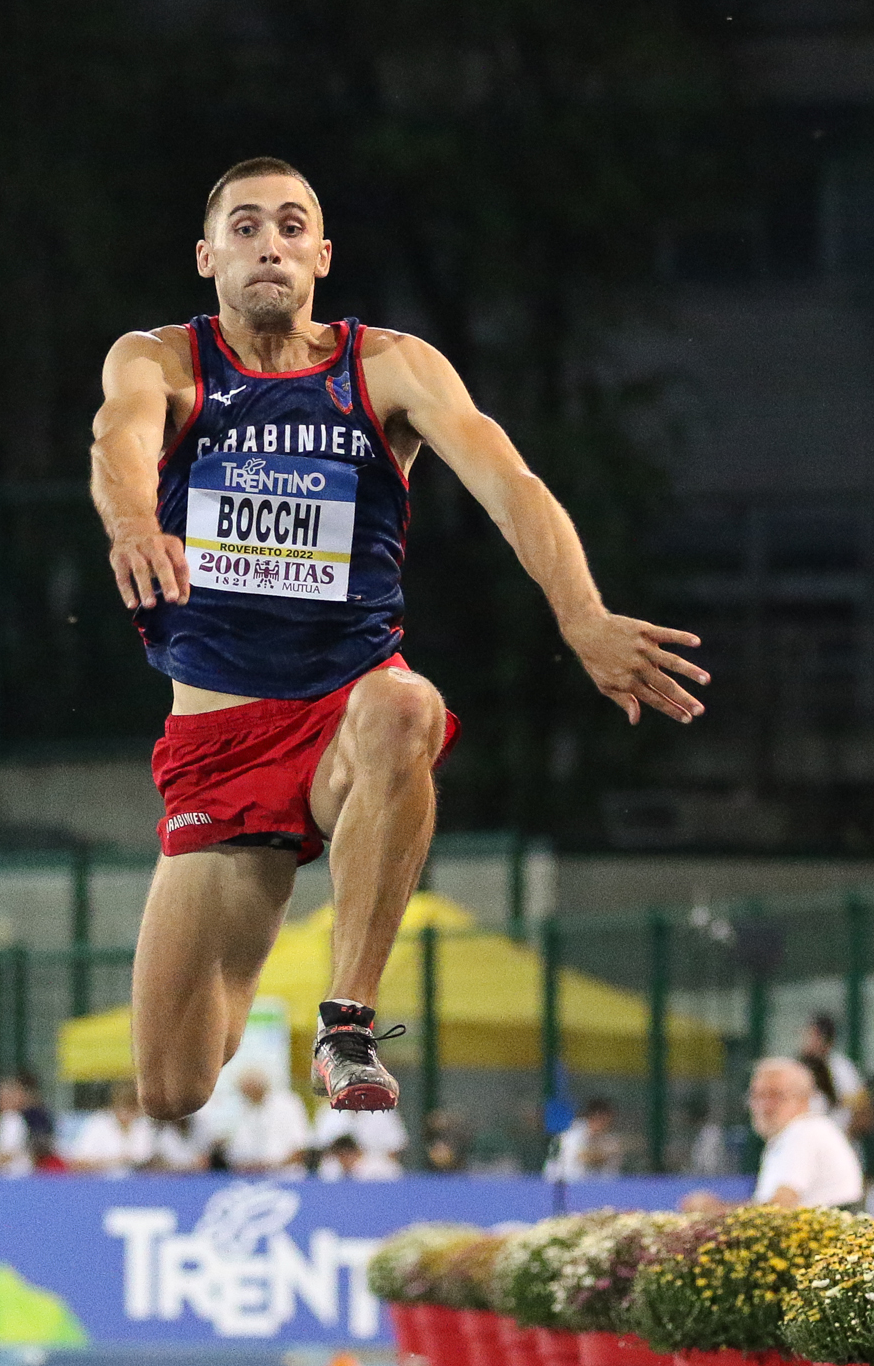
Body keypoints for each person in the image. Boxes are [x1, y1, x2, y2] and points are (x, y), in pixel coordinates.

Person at [91, 156, 709, 1121]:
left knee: (408, 704)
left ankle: (347, 1021)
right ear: (207, 257)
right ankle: (260, 941)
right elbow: (118, 441)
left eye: (291, 226)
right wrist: (135, 523)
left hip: (346, 715)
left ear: (322, 255)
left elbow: (512, 487)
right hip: (221, 743)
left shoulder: (388, 368)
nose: (270, 244)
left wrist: (582, 615)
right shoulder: (161, 360)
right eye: (245, 227)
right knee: (173, 1088)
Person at [749, 1057, 862, 1208]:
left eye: (776, 1095)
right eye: (757, 1095)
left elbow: (779, 1207)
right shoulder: (795, 1133)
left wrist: (721, 1210)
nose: (764, 1106)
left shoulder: (803, 1132)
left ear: (803, 1099)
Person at [225, 1069, 310, 1175]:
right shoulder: (241, 1110)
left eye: (248, 1090)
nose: (245, 1095)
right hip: (248, 1177)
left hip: (287, 1177)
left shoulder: (288, 1104)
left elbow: (301, 1147)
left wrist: (271, 1166)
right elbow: (233, 1151)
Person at [800, 1013, 872, 1137]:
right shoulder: (799, 1068)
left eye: (813, 1036)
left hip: (837, 1135)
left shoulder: (841, 1067)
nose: (808, 1041)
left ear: (826, 1040)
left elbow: (862, 1109)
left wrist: (846, 1136)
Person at [66, 1082, 156, 1174]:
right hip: (101, 1180)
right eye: (123, 1107)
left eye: (132, 1109)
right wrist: (115, 1162)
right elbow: (77, 1163)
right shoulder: (98, 1123)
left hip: (140, 1181)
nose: (126, 1113)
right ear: (114, 1105)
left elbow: (151, 1160)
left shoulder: (145, 1125)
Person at [314, 1103, 408, 1176]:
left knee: (387, 1169)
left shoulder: (383, 1110)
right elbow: (320, 1149)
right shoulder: (329, 1113)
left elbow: (395, 1149)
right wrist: (345, 1157)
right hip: (337, 1162)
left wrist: (359, 1158)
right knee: (328, 1169)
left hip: (371, 1162)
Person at [545, 1098, 623, 1181]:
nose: (606, 1125)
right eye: (603, 1119)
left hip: (592, 1184)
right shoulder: (573, 1133)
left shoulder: (608, 1139)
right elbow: (582, 1157)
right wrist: (606, 1154)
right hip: (562, 1183)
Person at [318, 1133, 402, 1182]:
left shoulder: (380, 1167)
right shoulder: (337, 1169)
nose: (342, 1160)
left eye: (343, 1156)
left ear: (353, 1153)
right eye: (339, 1157)